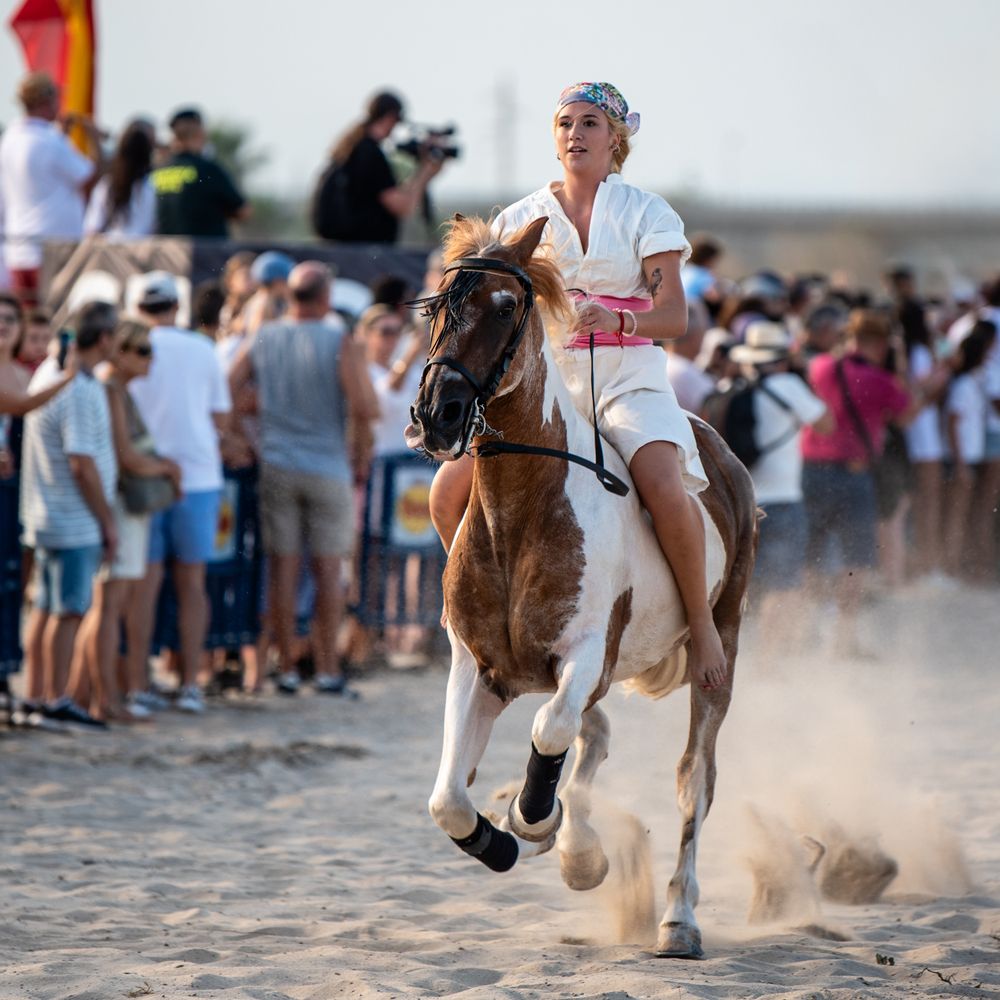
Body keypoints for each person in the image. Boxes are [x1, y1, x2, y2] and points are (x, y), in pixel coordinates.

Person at [428, 81, 728, 691]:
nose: (575, 134)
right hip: (545, 386)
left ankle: (701, 626)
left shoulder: (649, 212)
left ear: (615, 139)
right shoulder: (516, 220)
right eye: (565, 123)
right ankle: (473, 604)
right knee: (443, 492)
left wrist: (619, 319)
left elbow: (675, 317)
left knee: (664, 485)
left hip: (628, 379)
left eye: (590, 123)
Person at [228, 262, 379, 696]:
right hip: (328, 466)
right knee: (328, 570)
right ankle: (327, 668)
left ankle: (288, 667)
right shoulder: (338, 339)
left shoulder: (266, 336)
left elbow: (227, 386)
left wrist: (243, 437)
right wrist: (359, 451)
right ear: (326, 297)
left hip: (277, 464)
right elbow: (365, 406)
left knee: (283, 569)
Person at [126, 271, 232, 714]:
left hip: (142, 476)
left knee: (144, 587)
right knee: (192, 585)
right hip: (197, 477)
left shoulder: (128, 348)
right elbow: (220, 419)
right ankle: (190, 684)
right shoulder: (201, 349)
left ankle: (138, 684)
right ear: (176, 306)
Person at [69, 320, 182, 721]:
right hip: (118, 503)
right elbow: (125, 456)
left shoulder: (116, 389)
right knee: (108, 604)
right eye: (143, 350)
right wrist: (167, 470)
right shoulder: (111, 389)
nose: (150, 359)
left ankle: (82, 695)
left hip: (119, 503)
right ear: (121, 351)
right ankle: (103, 699)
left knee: (108, 604)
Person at [18, 301, 118, 729]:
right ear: (106, 338)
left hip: (47, 513)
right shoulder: (76, 385)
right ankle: (54, 698)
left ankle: (36, 696)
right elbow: (81, 462)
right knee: (67, 612)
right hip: (71, 518)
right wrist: (107, 521)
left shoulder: (50, 372)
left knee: (45, 609)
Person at [800, 310, 920, 656]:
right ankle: (843, 639)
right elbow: (906, 415)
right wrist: (904, 372)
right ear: (881, 344)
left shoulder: (819, 366)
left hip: (810, 471)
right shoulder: (880, 380)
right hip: (854, 476)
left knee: (810, 554)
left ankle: (805, 629)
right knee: (856, 558)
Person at [727, 323, 831, 655]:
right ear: (783, 358)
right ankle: (768, 660)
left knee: (744, 587)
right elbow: (827, 423)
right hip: (784, 501)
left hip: (742, 503)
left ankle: (737, 654)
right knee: (783, 586)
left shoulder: (732, 388)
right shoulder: (788, 385)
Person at [0, 72, 102, 306]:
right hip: (53, 248)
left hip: (18, 246)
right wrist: (94, 140)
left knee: (25, 317)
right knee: (51, 315)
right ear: (47, 101)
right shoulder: (49, 140)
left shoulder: (9, 138)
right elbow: (90, 177)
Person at [317, 91, 444, 244]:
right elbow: (403, 207)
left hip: (347, 246)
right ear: (390, 117)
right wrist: (424, 173)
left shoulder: (354, 149)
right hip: (364, 248)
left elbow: (396, 196)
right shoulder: (369, 153)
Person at [943, 320, 997, 580]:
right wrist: (961, 464)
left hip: (970, 457)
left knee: (963, 515)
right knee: (956, 516)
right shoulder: (964, 385)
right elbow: (952, 424)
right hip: (962, 460)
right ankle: (950, 568)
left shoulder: (974, 382)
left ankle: (961, 567)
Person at [0, 294, 76, 478]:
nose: (3, 325)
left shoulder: (26, 373)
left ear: (21, 326)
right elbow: (22, 406)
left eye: (9, 319)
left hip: (26, 474)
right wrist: (69, 376)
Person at [152, 108, 249, 238]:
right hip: (205, 249)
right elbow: (243, 211)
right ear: (200, 133)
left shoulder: (158, 171)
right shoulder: (207, 169)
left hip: (168, 249)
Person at [83, 119, 157, 237]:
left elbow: (92, 228)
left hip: (111, 244)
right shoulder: (153, 185)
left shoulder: (107, 185)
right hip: (144, 245)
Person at [665, 299, 715, 412]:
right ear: (695, 335)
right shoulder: (682, 371)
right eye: (704, 329)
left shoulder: (662, 363)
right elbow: (714, 411)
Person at [241, 251, 294, 335]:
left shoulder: (271, 300)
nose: (289, 285)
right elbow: (257, 335)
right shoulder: (263, 304)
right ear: (277, 282)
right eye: (286, 281)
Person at [14, 306, 54, 373]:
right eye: (33, 338)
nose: (40, 345)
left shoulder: (51, 363)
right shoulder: (8, 363)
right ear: (19, 338)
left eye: (46, 338)